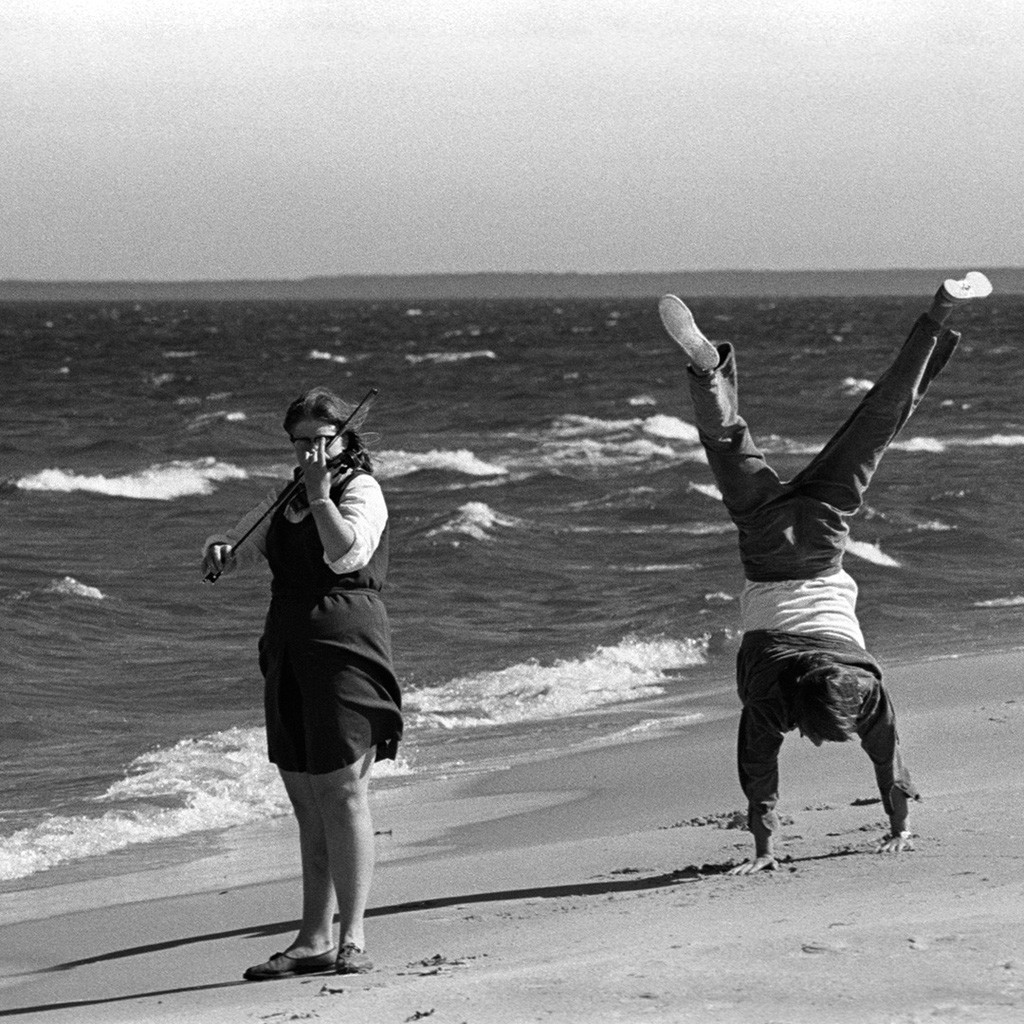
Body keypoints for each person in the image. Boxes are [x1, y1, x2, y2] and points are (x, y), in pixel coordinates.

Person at [657, 271, 992, 875]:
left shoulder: (864, 685)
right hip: (763, 540)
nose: (816, 740)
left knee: (878, 420)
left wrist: (902, 826)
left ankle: (942, 309)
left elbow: (885, 756)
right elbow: (759, 772)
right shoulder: (775, 695)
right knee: (728, 442)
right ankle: (708, 376)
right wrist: (763, 849)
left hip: (823, 534)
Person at [202, 386, 402, 977]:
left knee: (342, 791)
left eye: (320, 440)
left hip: (345, 640)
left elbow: (346, 555)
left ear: (344, 438)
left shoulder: (361, 490)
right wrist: (219, 549)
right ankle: (313, 937)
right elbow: (239, 548)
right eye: (299, 442)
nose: (309, 452)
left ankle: (354, 937)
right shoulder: (284, 495)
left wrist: (319, 496)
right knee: (305, 800)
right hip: (287, 642)